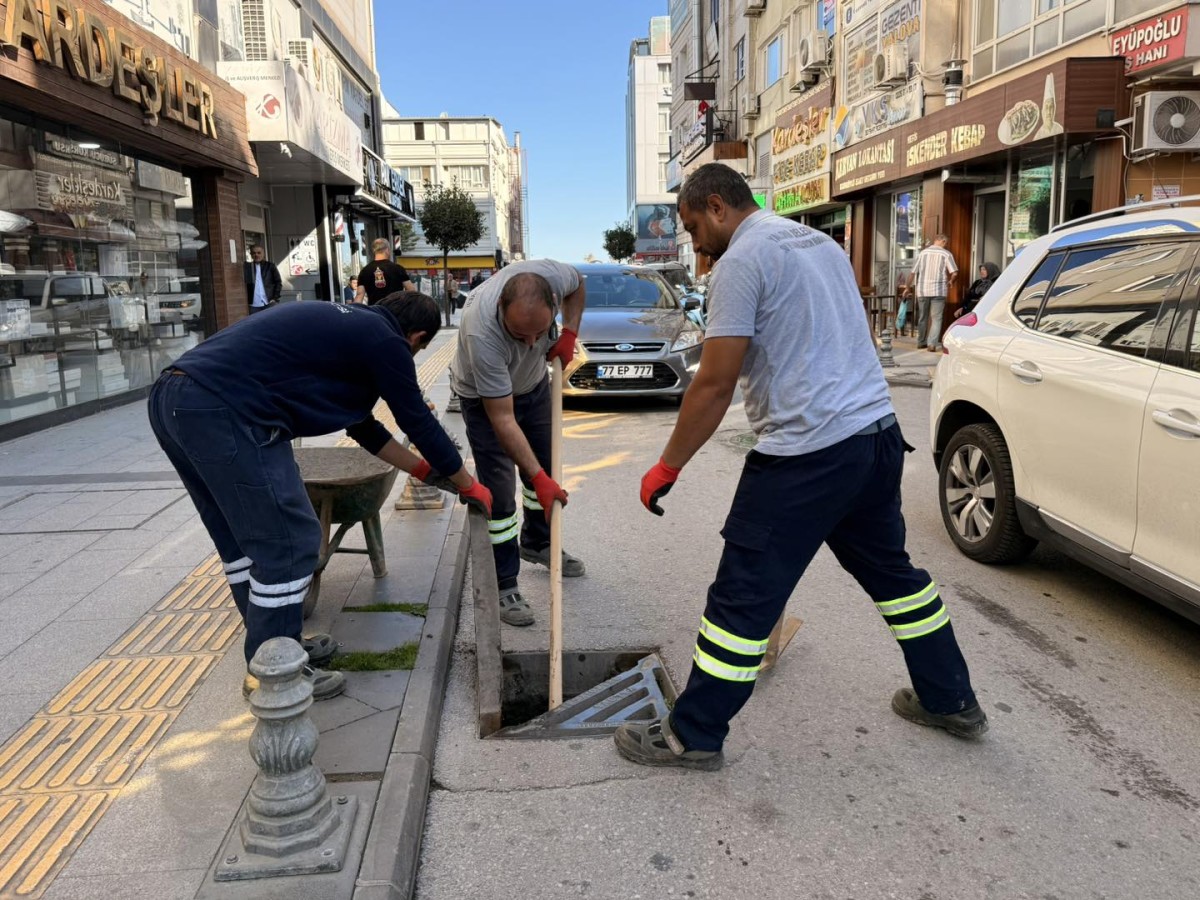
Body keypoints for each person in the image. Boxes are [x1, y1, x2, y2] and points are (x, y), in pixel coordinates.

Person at [613, 163, 987, 771]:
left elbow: (714, 382)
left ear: (716, 205)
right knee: (896, 579)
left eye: (691, 226)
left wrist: (668, 465)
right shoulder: (820, 244)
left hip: (806, 455)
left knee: (741, 600)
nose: (694, 243)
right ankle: (952, 700)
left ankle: (694, 734)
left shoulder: (740, 262)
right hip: (875, 437)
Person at [147, 292, 493, 701]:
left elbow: (364, 428)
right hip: (227, 409)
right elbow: (415, 419)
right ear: (417, 337)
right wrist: (468, 483)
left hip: (174, 397)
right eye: (417, 350)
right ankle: (277, 677)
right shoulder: (386, 340)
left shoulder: (347, 328)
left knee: (241, 542)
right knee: (291, 543)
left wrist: (424, 472)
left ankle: (276, 651)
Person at [449, 260, 587, 626]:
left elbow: (579, 285)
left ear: (552, 303)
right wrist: (538, 477)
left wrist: (569, 333)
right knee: (500, 487)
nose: (530, 343)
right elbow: (503, 419)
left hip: (533, 387)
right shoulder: (483, 332)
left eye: (538, 333)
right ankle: (504, 580)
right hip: (484, 400)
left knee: (544, 466)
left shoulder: (555, 278)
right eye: (519, 334)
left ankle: (538, 542)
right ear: (500, 312)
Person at [904, 234, 958, 352]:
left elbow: (913, 272)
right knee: (936, 318)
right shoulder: (946, 254)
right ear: (943, 241)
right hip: (939, 291)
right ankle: (932, 344)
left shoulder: (922, 253)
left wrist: (907, 287)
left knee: (923, 317)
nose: (946, 245)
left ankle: (921, 342)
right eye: (946, 243)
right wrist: (951, 281)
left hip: (923, 290)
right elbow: (954, 272)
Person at [356, 238, 416, 305]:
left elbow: (359, 295)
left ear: (374, 251)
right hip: (395, 310)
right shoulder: (398, 269)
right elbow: (411, 291)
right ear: (387, 250)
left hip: (375, 311)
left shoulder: (364, 271)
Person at [245, 244, 281, 313]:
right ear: (251, 254)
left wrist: (275, 298)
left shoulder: (270, 266)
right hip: (253, 305)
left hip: (269, 302)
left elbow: (278, 282)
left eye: (259, 253)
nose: (256, 255)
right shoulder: (248, 267)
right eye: (254, 253)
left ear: (263, 253)